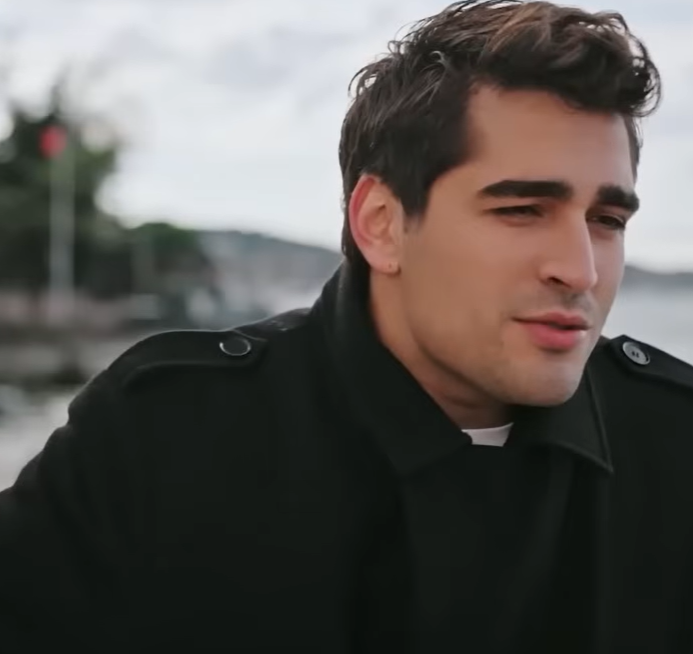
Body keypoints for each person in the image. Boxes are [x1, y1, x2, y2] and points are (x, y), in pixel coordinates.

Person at [1, 1, 691, 652]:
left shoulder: (674, 448)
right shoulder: (165, 435)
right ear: (381, 225)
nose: (580, 270)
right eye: (520, 211)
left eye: (607, 221)